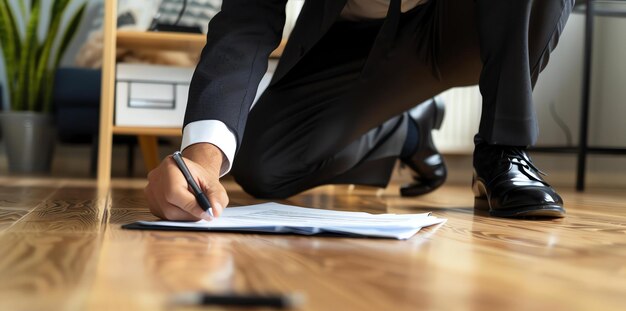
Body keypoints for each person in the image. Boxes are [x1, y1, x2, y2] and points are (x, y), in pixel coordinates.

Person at [144, 0, 573, 220]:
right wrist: (200, 158)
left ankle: (504, 150)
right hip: (353, 40)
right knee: (265, 166)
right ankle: (407, 131)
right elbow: (246, 20)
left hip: (465, 27)